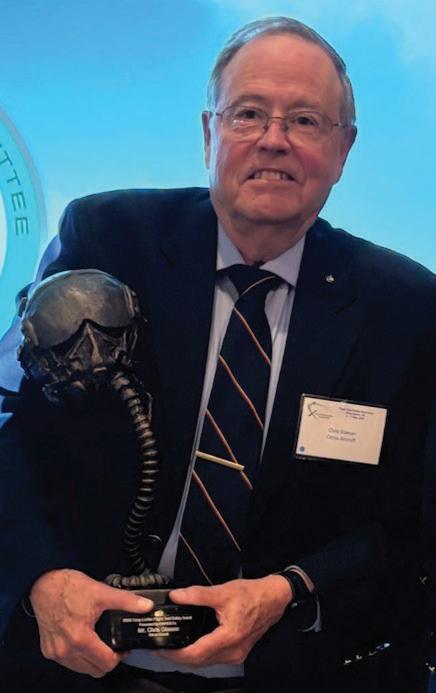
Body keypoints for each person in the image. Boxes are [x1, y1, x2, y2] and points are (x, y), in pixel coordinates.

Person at [0, 16, 435, 693]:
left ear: (343, 149)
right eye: (249, 113)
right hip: (77, 665)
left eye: (305, 121)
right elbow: (10, 425)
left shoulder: (404, 306)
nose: (273, 139)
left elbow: (407, 515)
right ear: (209, 133)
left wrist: (290, 588)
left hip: (284, 671)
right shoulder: (107, 237)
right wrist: (41, 578)